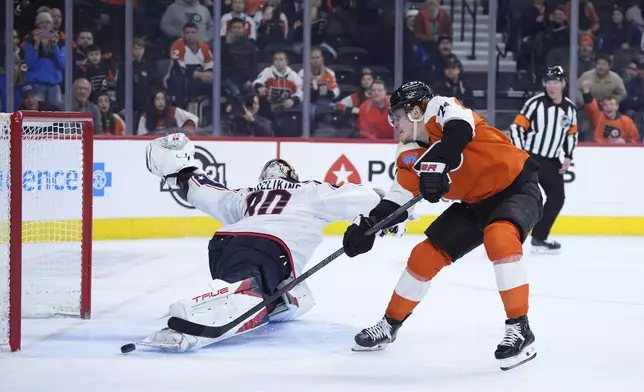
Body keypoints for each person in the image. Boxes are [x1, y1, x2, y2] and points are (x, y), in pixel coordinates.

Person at [342, 81, 543, 371]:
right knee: (423, 257)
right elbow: (397, 199)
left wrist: (436, 164)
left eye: (396, 117)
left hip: (518, 187)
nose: (393, 124)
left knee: (499, 237)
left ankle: (520, 329)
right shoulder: (406, 153)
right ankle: (389, 325)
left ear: (414, 111)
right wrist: (369, 226)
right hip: (476, 202)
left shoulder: (440, 107)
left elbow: (459, 132)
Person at [142, 133, 381, 352]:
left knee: (280, 289)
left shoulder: (246, 196)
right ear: (293, 178)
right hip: (271, 249)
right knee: (256, 288)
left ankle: (250, 291)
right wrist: (389, 211)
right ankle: (222, 308)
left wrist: (183, 168)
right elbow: (366, 197)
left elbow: (202, 191)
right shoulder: (310, 191)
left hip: (223, 246)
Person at [509, 66, 578, 253]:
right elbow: (516, 127)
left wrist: (568, 155)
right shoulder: (535, 104)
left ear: (564, 83)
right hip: (531, 158)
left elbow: (571, 134)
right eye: (548, 82)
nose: (552, 86)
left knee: (557, 198)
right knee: (521, 199)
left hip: (552, 161)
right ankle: (506, 238)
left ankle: (539, 238)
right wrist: (520, 152)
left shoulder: (570, 108)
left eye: (556, 81)